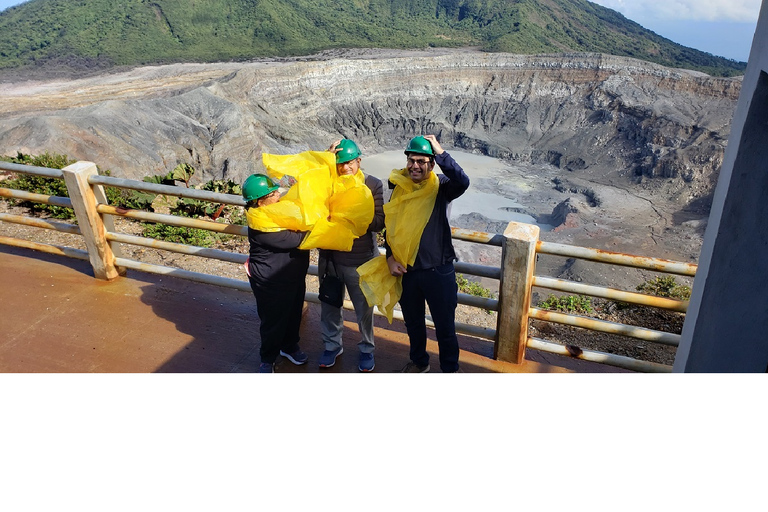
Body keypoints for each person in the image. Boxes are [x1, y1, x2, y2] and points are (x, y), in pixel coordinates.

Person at [385, 135, 470, 373]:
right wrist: (390, 257)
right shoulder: (399, 187)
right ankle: (420, 362)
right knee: (413, 324)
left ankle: (450, 369)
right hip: (408, 271)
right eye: (412, 160)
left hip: (438, 271)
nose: (415, 166)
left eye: (422, 161)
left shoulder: (442, 186)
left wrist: (441, 152)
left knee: (445, 326)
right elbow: (392, 227)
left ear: (431, 164)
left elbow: (463, 181)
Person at [317, 139, 385, 372]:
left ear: (359, 161)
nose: (345, 168)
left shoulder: (373, 184)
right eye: (339, 164)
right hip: (330, 260)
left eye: (349, 163)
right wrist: (326, 164)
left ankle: (367, 349)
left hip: (361, 261)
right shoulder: (328, 182)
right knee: (329, 306)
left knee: (363, 309)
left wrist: (354, 214)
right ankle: (332, 345)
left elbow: (379, 223)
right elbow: (312, 197)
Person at [243, 173, 310, 373]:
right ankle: (267, 358)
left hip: (293, 277)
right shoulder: (261, 224)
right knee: (273, 321)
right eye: (272, 193)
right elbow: (296, 239)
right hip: (271, 281)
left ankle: (290, 347)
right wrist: (315, 225)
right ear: (260, 202)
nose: (278, 195)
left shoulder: (274, 212)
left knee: (293, 314)